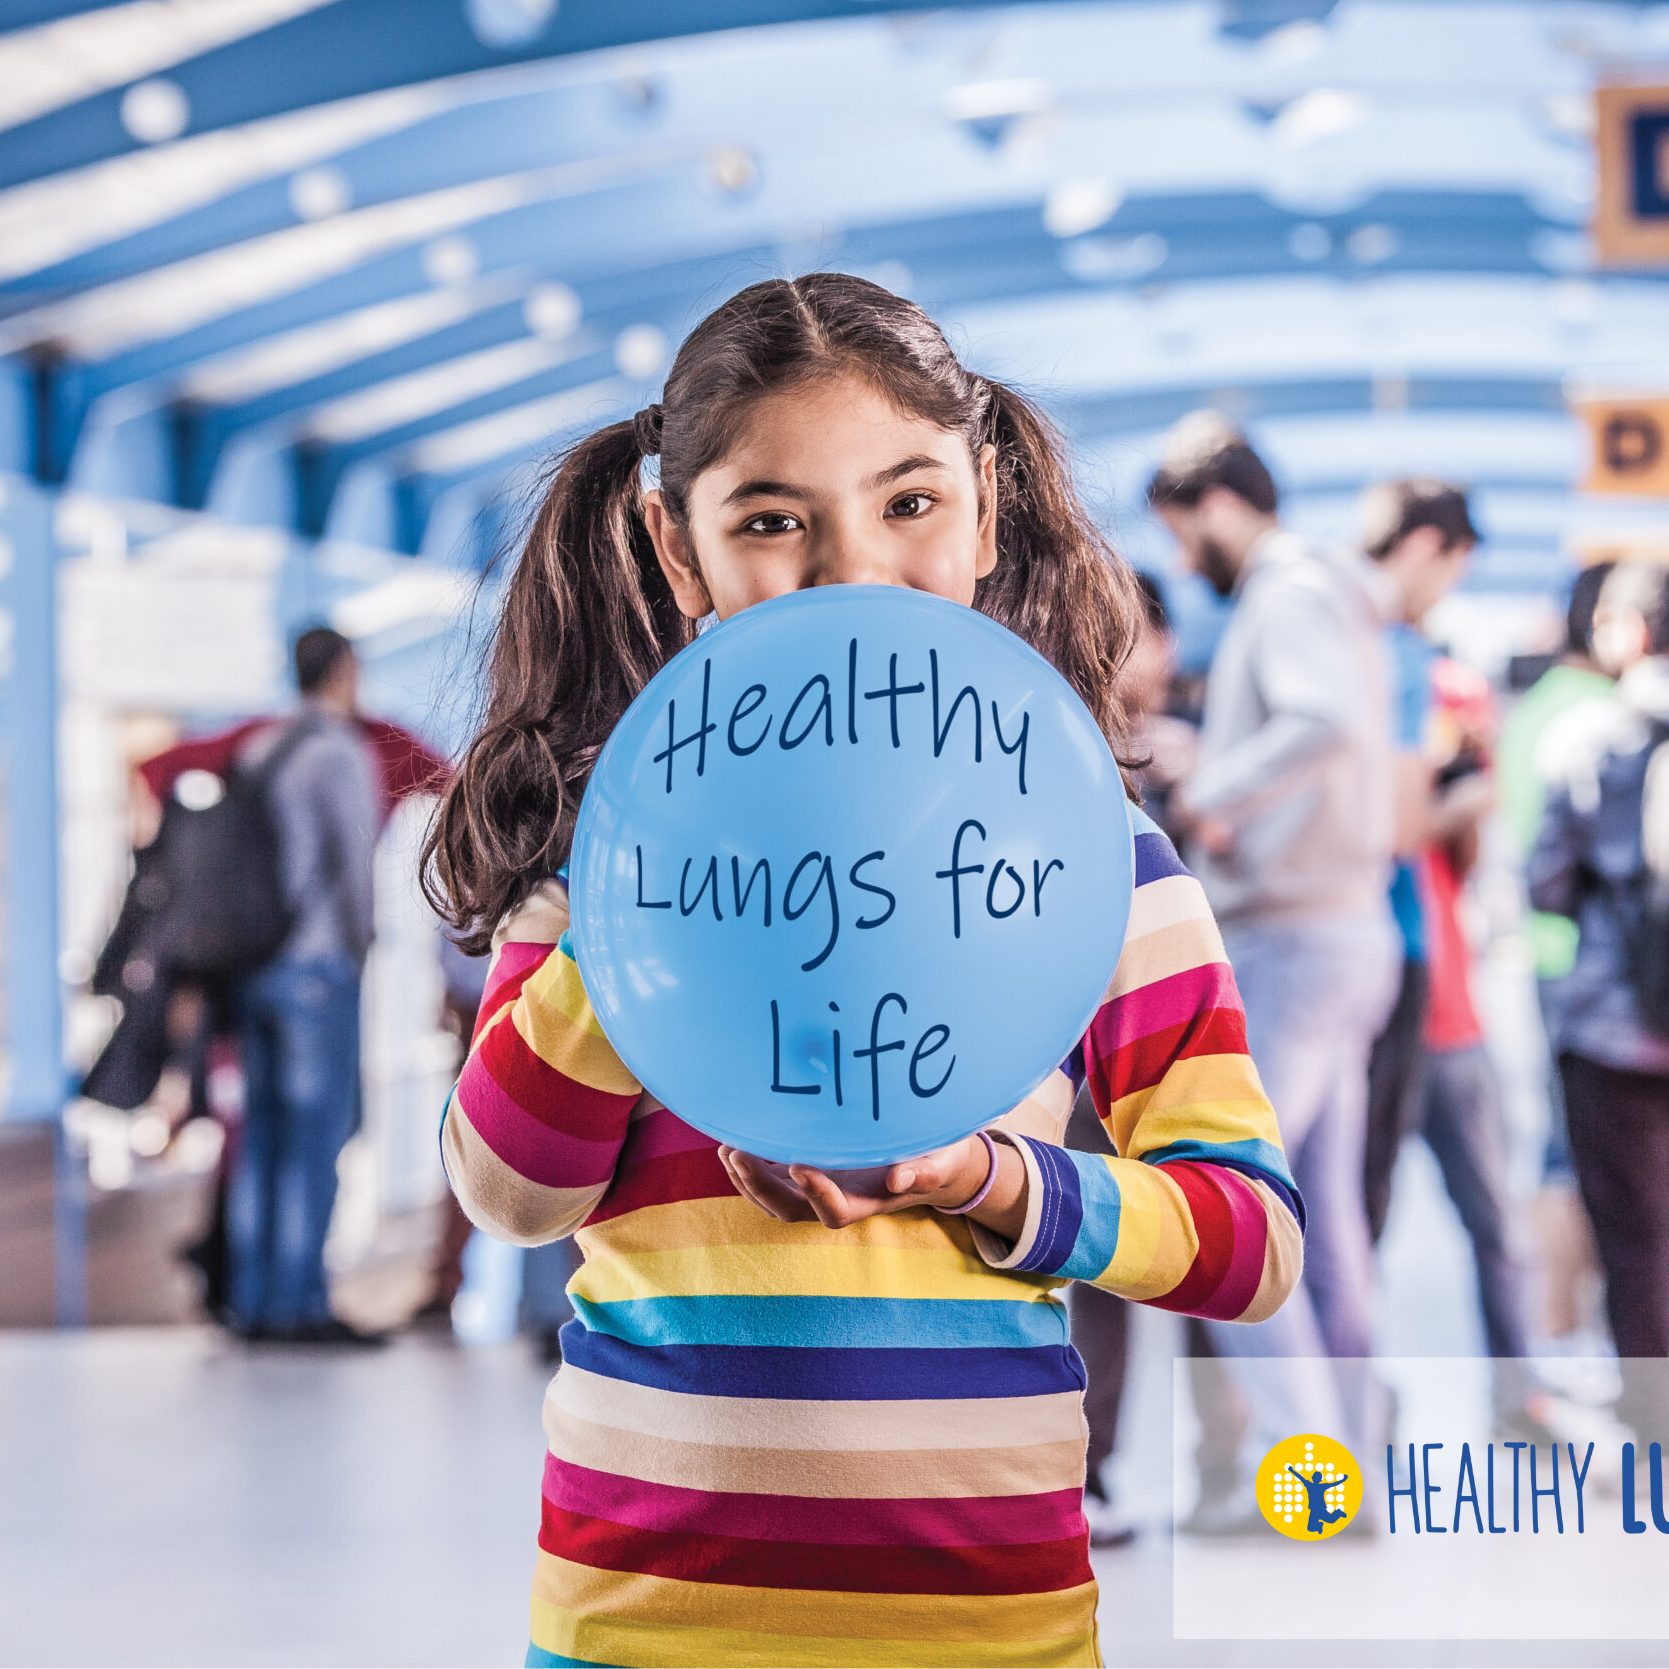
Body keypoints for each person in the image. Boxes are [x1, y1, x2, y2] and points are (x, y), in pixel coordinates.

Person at [424, 275, 1304, 1669]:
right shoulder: (606, 854)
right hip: (641, 1626)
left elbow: (1249, 1243)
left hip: (986, 1625)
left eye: (911, 502)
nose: (850, 574)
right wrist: (650, 887)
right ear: (673, 543)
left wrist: (988, 1178)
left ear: (987, 502)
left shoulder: (1090, 855)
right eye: (771, 522)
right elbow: (513, 1194)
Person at [1147, 416, 1397, 1510]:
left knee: (1235, 1209)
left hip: (1294, 936)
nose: (1183, 562)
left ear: (1214, 505)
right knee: (1326, 1225)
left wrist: (1212, 788)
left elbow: (1320, 719)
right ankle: (1355, 1459)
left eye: (1179, 533)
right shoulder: (1330, 590)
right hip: (1342, 927)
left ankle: (1303, 1477)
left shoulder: (1287, 591)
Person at [1528, 561, 1669, 1447]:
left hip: (1614, 1034)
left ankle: (1654, 1427)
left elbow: (1542, 881)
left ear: (1630, 630)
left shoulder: (1590, 737)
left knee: (1633, 1239)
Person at [227, 626, 383, 1346]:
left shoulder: (259, 750)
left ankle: (253, 1301)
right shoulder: (338, 753)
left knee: (261, 1138)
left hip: (251, 964)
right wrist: (360, 947)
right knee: (314, 1140)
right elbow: (353, 863)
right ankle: (299, 1304)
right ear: (344, 669)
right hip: (317, 969)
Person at [1354, 479, 1483, 1244]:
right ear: (1424, 548)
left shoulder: (1327, 635)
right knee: (1364, 1183)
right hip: (1387, 941)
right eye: (1451, 574)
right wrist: (1465, 803)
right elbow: (1402, 830)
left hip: (1311, 934)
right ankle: (1342, 1365)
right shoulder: (1396, 652)